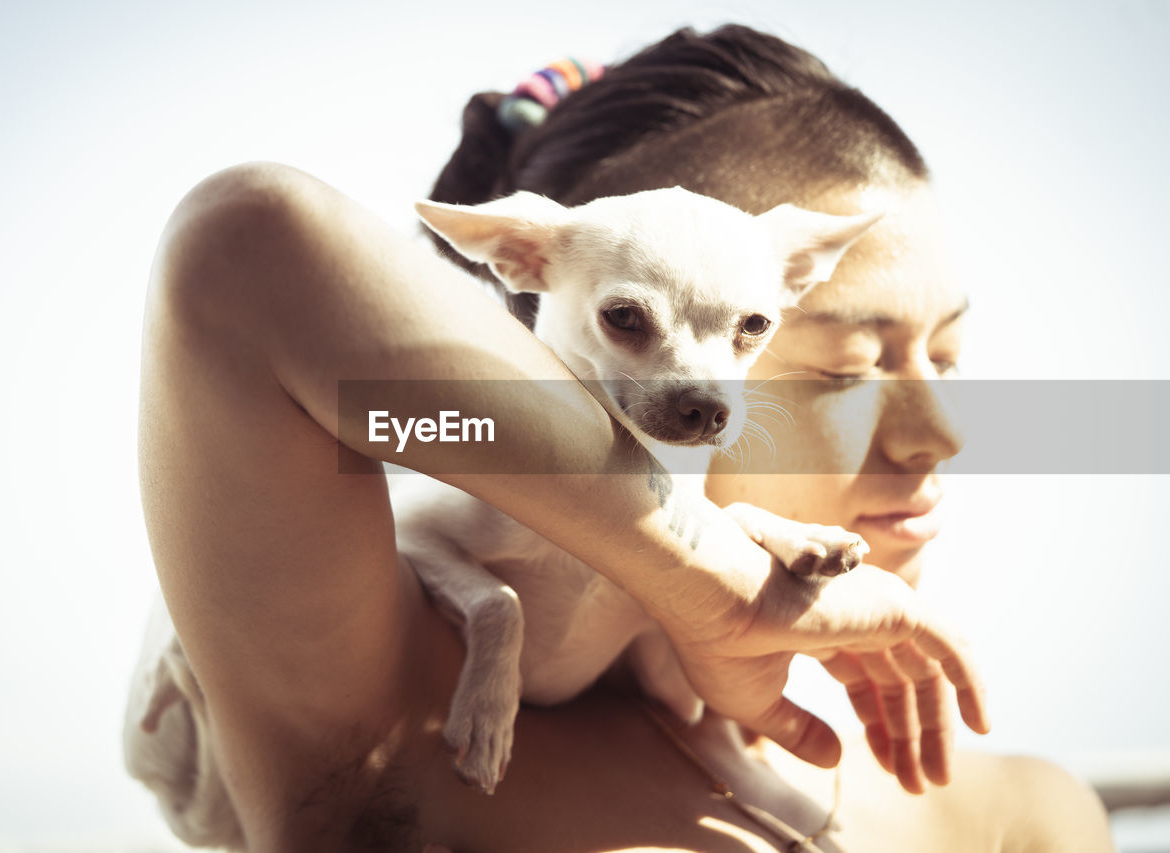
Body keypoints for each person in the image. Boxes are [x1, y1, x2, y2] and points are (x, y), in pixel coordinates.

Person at [135, 24, 1112, 852]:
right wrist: (713, 576)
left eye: (946, 356)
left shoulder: (1019, 813)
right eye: (848, 366)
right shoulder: (403, 704)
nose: (937, 435)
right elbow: (249, 245)